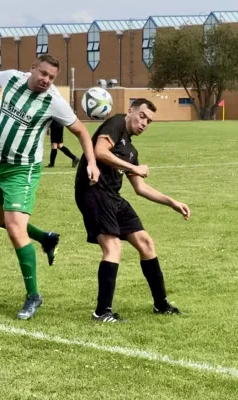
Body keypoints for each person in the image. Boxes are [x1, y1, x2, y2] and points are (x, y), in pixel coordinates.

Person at [0, 54, 100, 320]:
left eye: (51, 78)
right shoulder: (13, 78)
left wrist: (91, 163)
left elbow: (81, 131)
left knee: (14, 229)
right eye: (43, 74)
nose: (46, 80)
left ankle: (33, 296)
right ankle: (45, 238)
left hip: (22, 169)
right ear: (32, 68)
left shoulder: (53, 102)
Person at [74, 98, 191, 323]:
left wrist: (173, 203)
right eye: (142, 116)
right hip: (93, 191)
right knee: (113, 246)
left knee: (146, 243)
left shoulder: (131, 149)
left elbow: (140, 188)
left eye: (149, 121)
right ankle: (102, 312)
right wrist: (134, 167)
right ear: (130, 111)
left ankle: (161, 304)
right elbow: (99, 151)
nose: (145, 123)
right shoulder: (117, 123)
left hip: (113, 197)